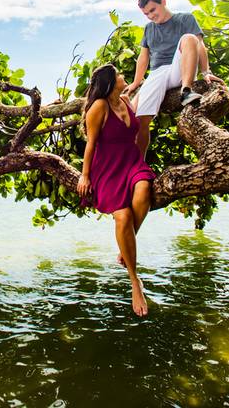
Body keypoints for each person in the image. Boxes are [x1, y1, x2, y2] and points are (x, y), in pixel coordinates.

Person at [76, 64, 156, 317]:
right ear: (110, 82)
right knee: (123, 216)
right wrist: (85, 175)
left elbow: (140, 131)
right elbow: (91, 144)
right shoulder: (99, 107)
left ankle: (124, 248)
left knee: (144, 191)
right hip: (107, 168)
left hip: (132, 162)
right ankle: (135, 281)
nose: (124, 77)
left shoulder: (126, 100)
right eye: (119, 74)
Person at [122, 0, 225, 159]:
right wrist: (135, 82)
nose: (151, 16)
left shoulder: (185, 19)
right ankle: (138, 165)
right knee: (139, 121)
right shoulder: (148, 29)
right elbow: (143, 57)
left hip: (180, 67)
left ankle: (186, 91)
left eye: (153, 10)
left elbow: (199, 45)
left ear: (163, 2)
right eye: (146, 14)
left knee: (189, 38)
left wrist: (206, 71)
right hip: (157, 73)